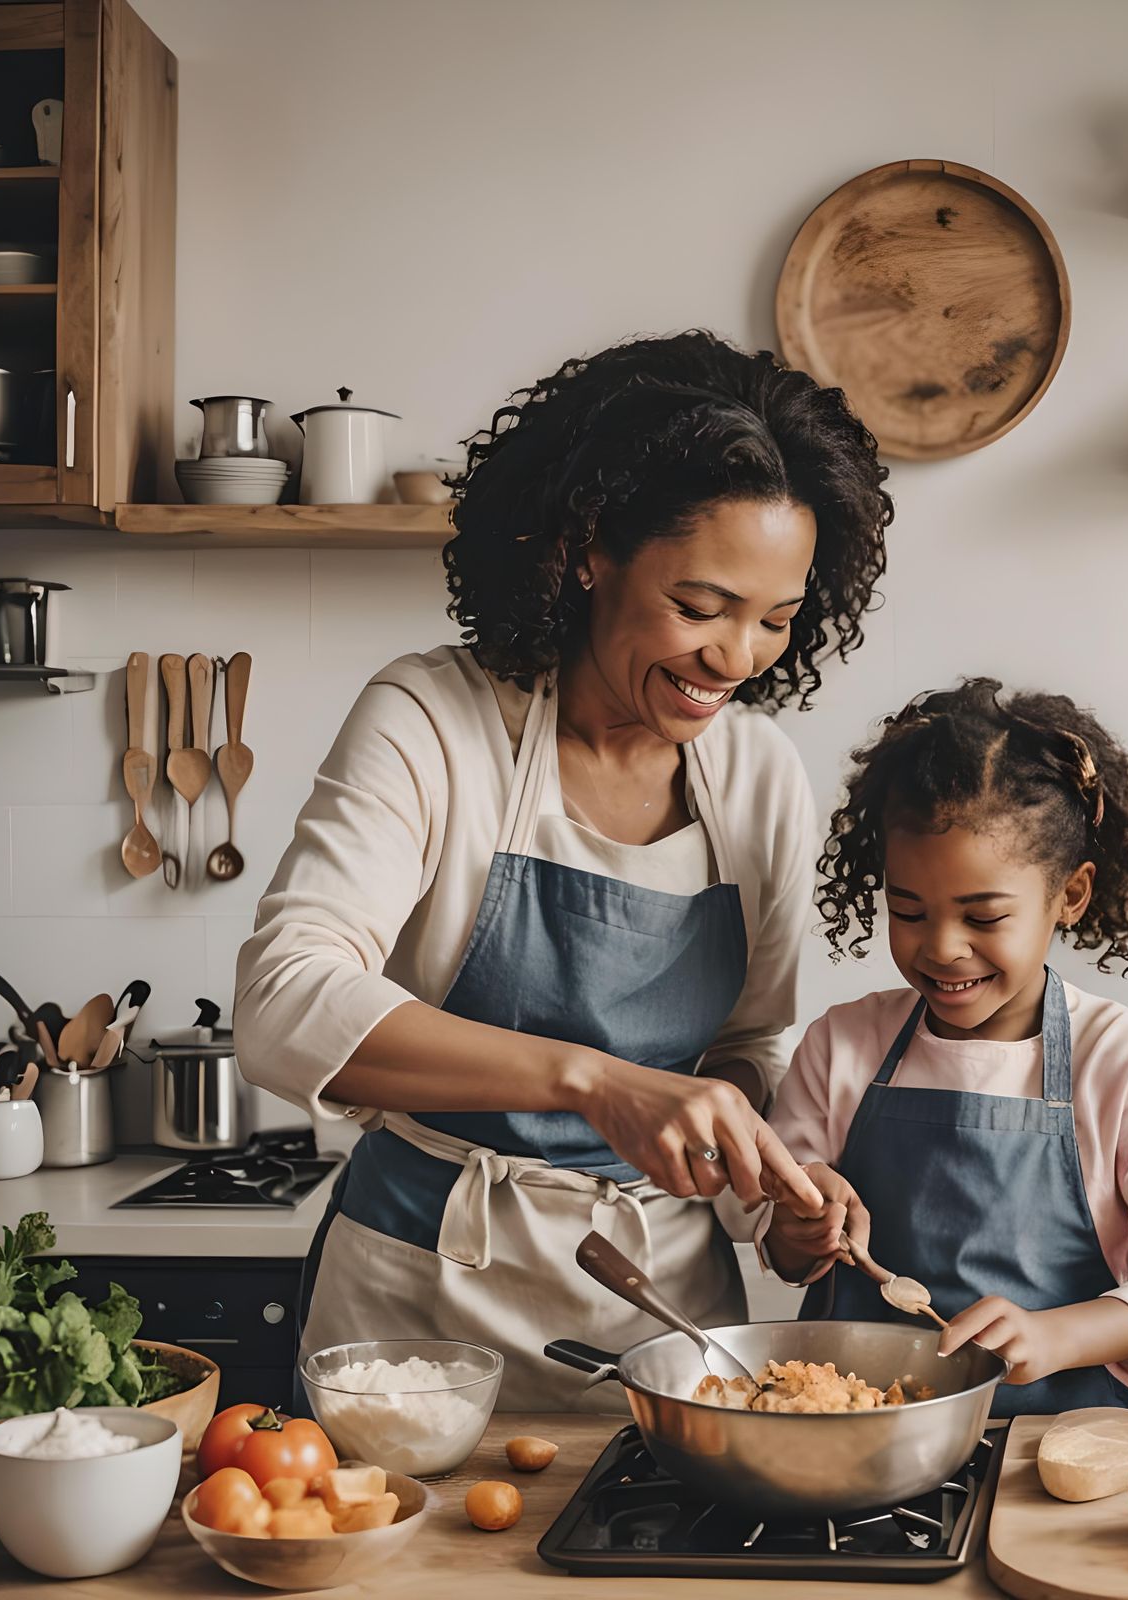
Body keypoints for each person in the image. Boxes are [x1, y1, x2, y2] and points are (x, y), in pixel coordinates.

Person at [234, 330, 891, 1408]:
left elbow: (748, 1043)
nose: (735, 661)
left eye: (775, 620)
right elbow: (282, 1002)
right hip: (417, 1309)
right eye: (700, 606)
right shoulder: (434, 720)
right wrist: (596, 1082)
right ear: (588, 549)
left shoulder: (758, 776)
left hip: (667, 1322)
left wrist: (760, 1171)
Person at [761, 679, 1128, 1415]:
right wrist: (804, 1226)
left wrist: (1057, 1336)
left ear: (1071, 895)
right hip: (866, 1442)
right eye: (908, 910)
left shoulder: (1121, 1060)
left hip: (1077, 1444)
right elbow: (784, 1253)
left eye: (983, 915)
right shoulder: (842, 1046)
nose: (942, 947)